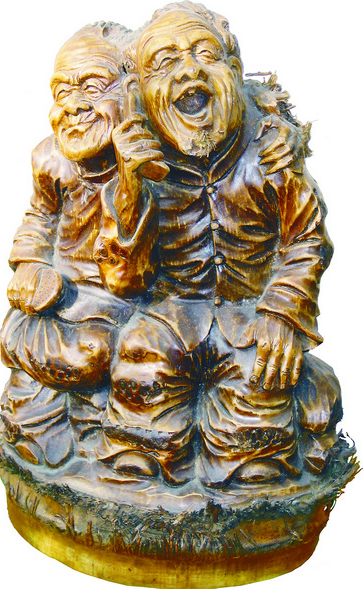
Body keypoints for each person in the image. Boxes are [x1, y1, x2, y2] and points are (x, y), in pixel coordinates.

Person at [94, 2, 341, 487]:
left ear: (234, 71)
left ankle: (251, 468)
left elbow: (306, 236)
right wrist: (130, 188)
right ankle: (145, 468)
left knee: (260, 393)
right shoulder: (139, 163)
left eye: (205, 54)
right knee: (141, 368)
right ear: (141, 92)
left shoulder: (268, 152)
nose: (189, 70)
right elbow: (124, 281)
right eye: (165, 63)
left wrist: (282, 310)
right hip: (168, 318)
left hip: (251, 318)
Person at [0, 23, 135, 467]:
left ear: (132, 93)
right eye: (61, 92)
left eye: (92, 88)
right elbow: (39, 218)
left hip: (118, 303)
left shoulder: (146, 163)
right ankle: (43, 424)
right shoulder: (50, 159)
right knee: (17, 333)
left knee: (104, 353)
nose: (74, 106)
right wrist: (29, 263)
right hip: (59, 298)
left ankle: (97, 418)